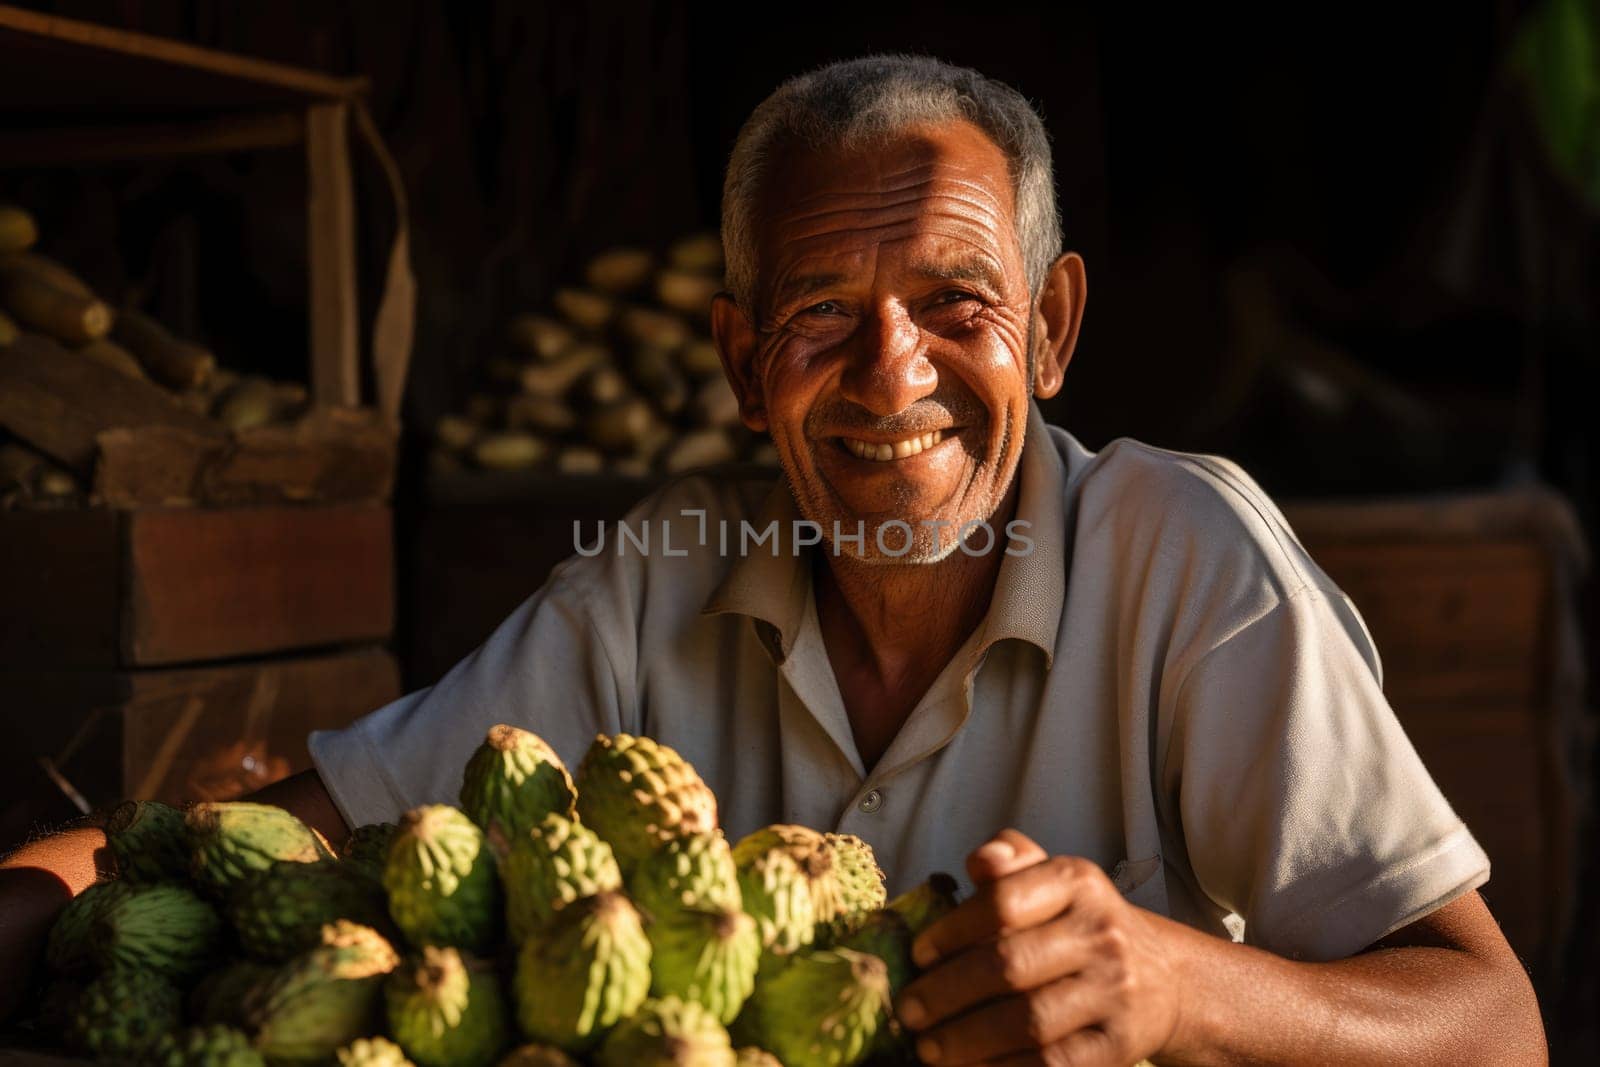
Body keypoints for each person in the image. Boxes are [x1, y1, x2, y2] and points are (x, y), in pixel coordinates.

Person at [0, 55, 1546, 1064]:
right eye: (821, 314)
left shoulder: (1186, 564)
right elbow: (303, 833)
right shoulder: (658, 580)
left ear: (1054, 330)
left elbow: (1497, 1027)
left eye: (958, 303)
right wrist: (26, 899)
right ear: (744, 366)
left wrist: (1173, 985)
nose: (892, 376)